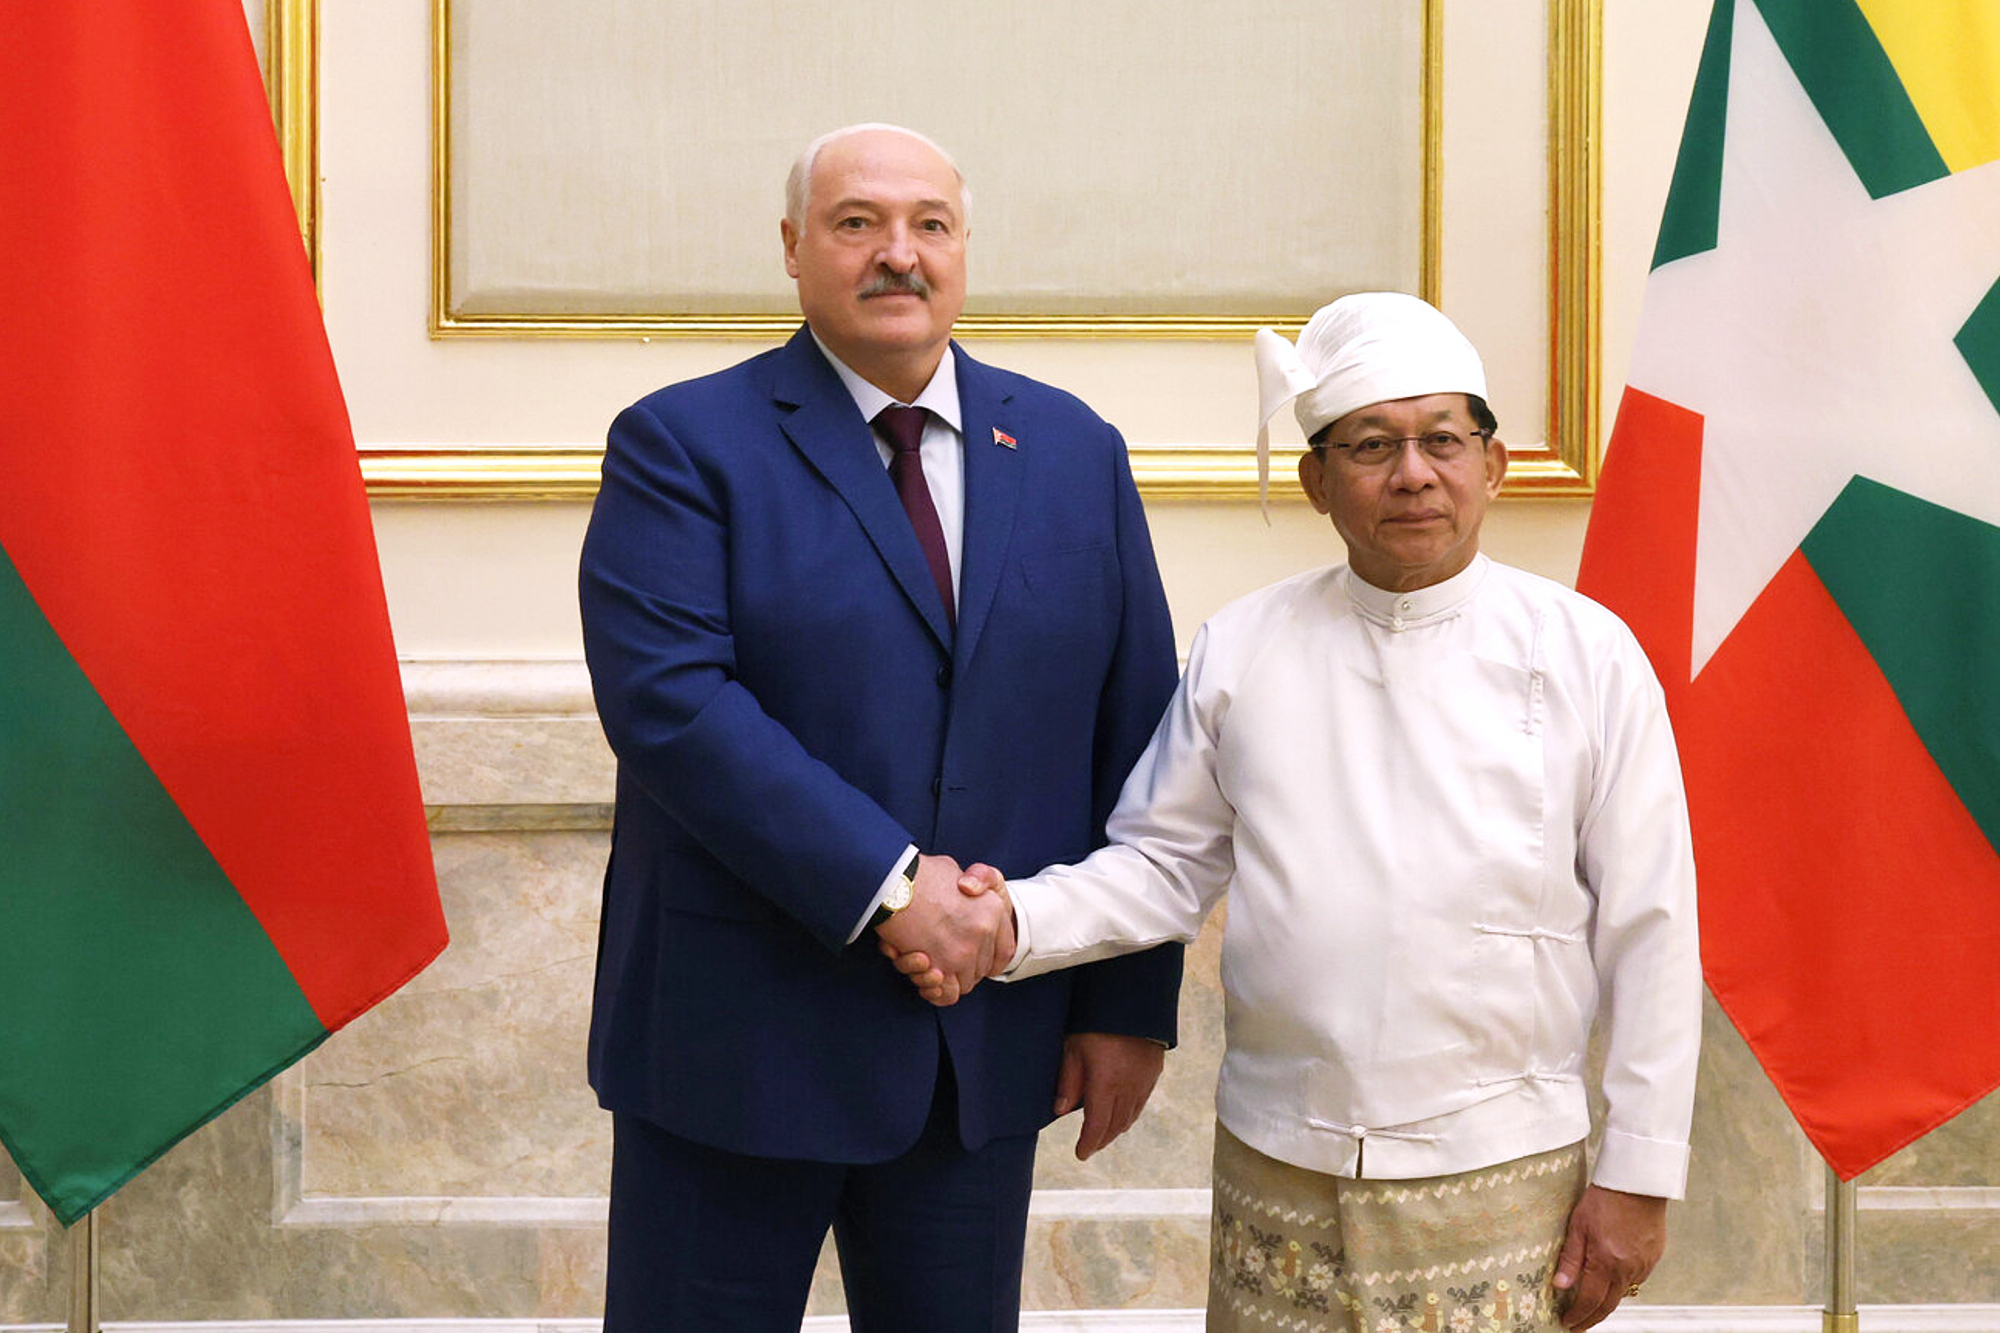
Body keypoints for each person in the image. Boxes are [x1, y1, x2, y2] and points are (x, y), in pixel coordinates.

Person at [892, 293, 1701, 1333]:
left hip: (1501, 1166)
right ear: (1318, 481)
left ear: (1491, 465)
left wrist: (1637, 1176)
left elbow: (1651, 928)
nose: (1411, 473)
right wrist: (1009, 924)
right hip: (1283, 1158)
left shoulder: (1588, 653)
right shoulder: (1242, 647)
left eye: (1441, 441)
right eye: (1370, 445)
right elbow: (1160, 863)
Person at [577, 123, 1183, 1333]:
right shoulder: (681, 443)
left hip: (979, 1052)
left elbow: (1139, 738)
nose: (895, 254)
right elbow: (673, 706)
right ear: (794, 249)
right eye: (856, 223)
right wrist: (891, 888)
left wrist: (1123, 1002)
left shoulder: (1074, 449)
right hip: (734, 1044)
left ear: (963, 250)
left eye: (928, 225)